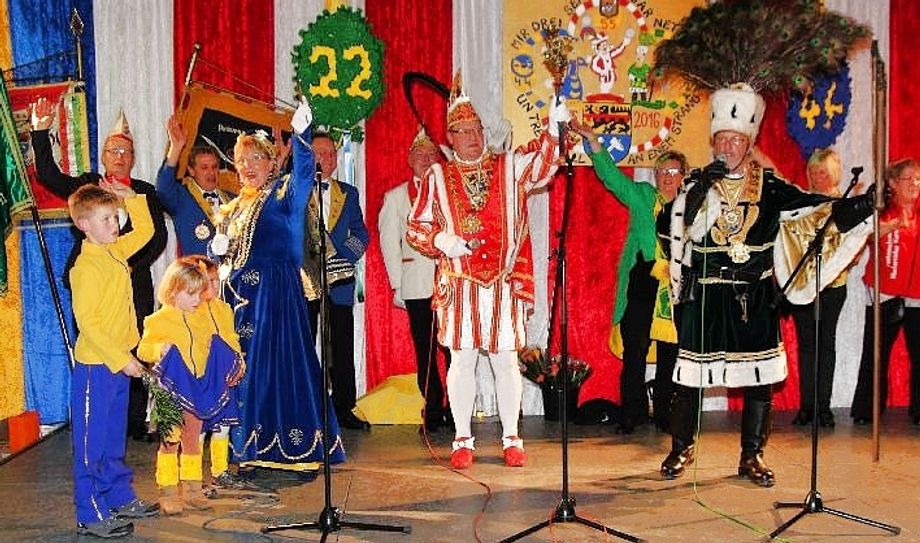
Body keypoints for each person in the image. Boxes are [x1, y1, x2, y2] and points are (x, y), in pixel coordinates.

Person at [660, 84, 873, 486]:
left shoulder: (771, 188)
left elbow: (815, 210)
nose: (727, 146)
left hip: (753, 297)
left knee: (759, 379)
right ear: (713, 142)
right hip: (705, 295)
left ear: (748, 143)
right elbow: (665, 229)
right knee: (688, 379)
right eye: (721, 139)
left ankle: (751, 456)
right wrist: (696, 197)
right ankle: (681, 448)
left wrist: (860, 206)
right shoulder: (695, 186)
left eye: (735, 140)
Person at [406, 72, 570, 469]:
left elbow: (544, 162)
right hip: (460, 284)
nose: (472, 136)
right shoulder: (437, 177)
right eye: (462, 131)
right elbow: (416, 227)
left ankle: (512, 437)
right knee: (461, 360)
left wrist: (554, 124)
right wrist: (445, 241)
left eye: (476, 128)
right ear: (450, 137)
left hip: (503, 283)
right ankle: (463, 438)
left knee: (504, 360)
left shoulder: (508, 166)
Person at [211, 101, 345, 468]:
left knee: (276, 369)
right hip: (238, 301)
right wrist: (218, 246)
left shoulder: (283, 194)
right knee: (242, 370)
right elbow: (227, 253)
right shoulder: (234, 206)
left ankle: (284, 445)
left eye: (256, 158)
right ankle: (245, 447)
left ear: (272, 162)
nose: (248, 166)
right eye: (242, 160)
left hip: (275, 297)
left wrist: (302, 137)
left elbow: (305, 175)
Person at [31, 98, 168, 441]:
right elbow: (48, 175)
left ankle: (133, 423)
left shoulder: (144, 191)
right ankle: (96, 429)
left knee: (133, 348)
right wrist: (39, 131)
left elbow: (154, 236)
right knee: (100, 343)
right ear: (104, 156)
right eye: (112, 151)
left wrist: (122, 261)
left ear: (132, 157)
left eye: (125, 151)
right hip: (98, 276)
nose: (119, 157)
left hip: (131, 280)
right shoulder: (89, 188)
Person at [573, 118, 684, 434]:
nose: (667, 177)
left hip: (675, 286)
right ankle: (632, 413)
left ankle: (664, 412)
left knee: (670, 354)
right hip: (643, 280)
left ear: (683, 177)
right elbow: (610, 177)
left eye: (674, 172)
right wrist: (594, 141)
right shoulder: (642, 196)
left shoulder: (693, 208)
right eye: (662, 172)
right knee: (634, 352)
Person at [66, 183, 159, 538]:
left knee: (112, 440)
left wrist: (129, 196)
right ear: (84, 225)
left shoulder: (117, 251)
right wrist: (122, 359)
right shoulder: (84, 268)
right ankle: (89, 512)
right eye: (105, 219)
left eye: (115, 217)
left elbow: (147, 230)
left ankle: (118, 496)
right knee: (91, 444)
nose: (115, 224)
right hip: (97, 367)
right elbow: (88, 324)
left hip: (119, 364)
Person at [137, 256, 244, 514]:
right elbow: (142, 350)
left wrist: (231, 359)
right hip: (170, 393)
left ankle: (193, 488)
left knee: (192, 440)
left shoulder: (202, 319)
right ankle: (168, 490)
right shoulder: (157, 320)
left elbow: (217, 346)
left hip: (197, 390)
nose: (199, 299)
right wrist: (158, 349)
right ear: (174, 291)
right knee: (170, 441)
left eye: (200, 293)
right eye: (192, 294)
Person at [379, 127, 451, 432]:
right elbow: (388, 242)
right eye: (419, 153)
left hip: (449, 283)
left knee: (451, 348)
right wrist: (397, 284)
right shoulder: (395, 197)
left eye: (430, 153)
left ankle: (456, 408)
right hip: (415, 282)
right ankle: (432, 408)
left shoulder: (448, 193)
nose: (424, 158)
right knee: (425, 350)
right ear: (409, 159)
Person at [302, 132, 369, 430]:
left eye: (330, 153)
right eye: (318, 153)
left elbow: (361, 233)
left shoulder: (349, 193)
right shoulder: (297, 191)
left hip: (340, 279)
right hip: (305, 280)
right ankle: (305, 406)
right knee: (305, 343)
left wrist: (342, 256)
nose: (325, 159)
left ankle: (344, 407)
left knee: (341, 345)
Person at [850, 158, 920, 425]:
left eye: (918, 179)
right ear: (893, 183)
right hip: (885, 293)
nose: (914, 184)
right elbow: (864, 235)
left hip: (916, 295)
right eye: (908, 179)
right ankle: (867, 410)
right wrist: (892, 226)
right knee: (876, 354)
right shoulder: (882, 211)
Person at [788, 149, 849, 428]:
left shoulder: (845, 203)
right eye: (813, 172)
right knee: (806, 347)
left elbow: (854, 244)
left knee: (826, 345)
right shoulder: (804, 201)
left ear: (833, 173)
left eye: (822, 172)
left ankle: (823, 407)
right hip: (805, 285)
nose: (816, 177)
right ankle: (806, 406)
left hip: (834, 284)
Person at [156, 114, 235, 256]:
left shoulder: (233, 200)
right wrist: (176, 148)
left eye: (214, 167)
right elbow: (163, 189)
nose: (211, 172)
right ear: (191, 170)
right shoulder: (182, 197)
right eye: (204, 167)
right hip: (198, 273)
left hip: (230, 274)